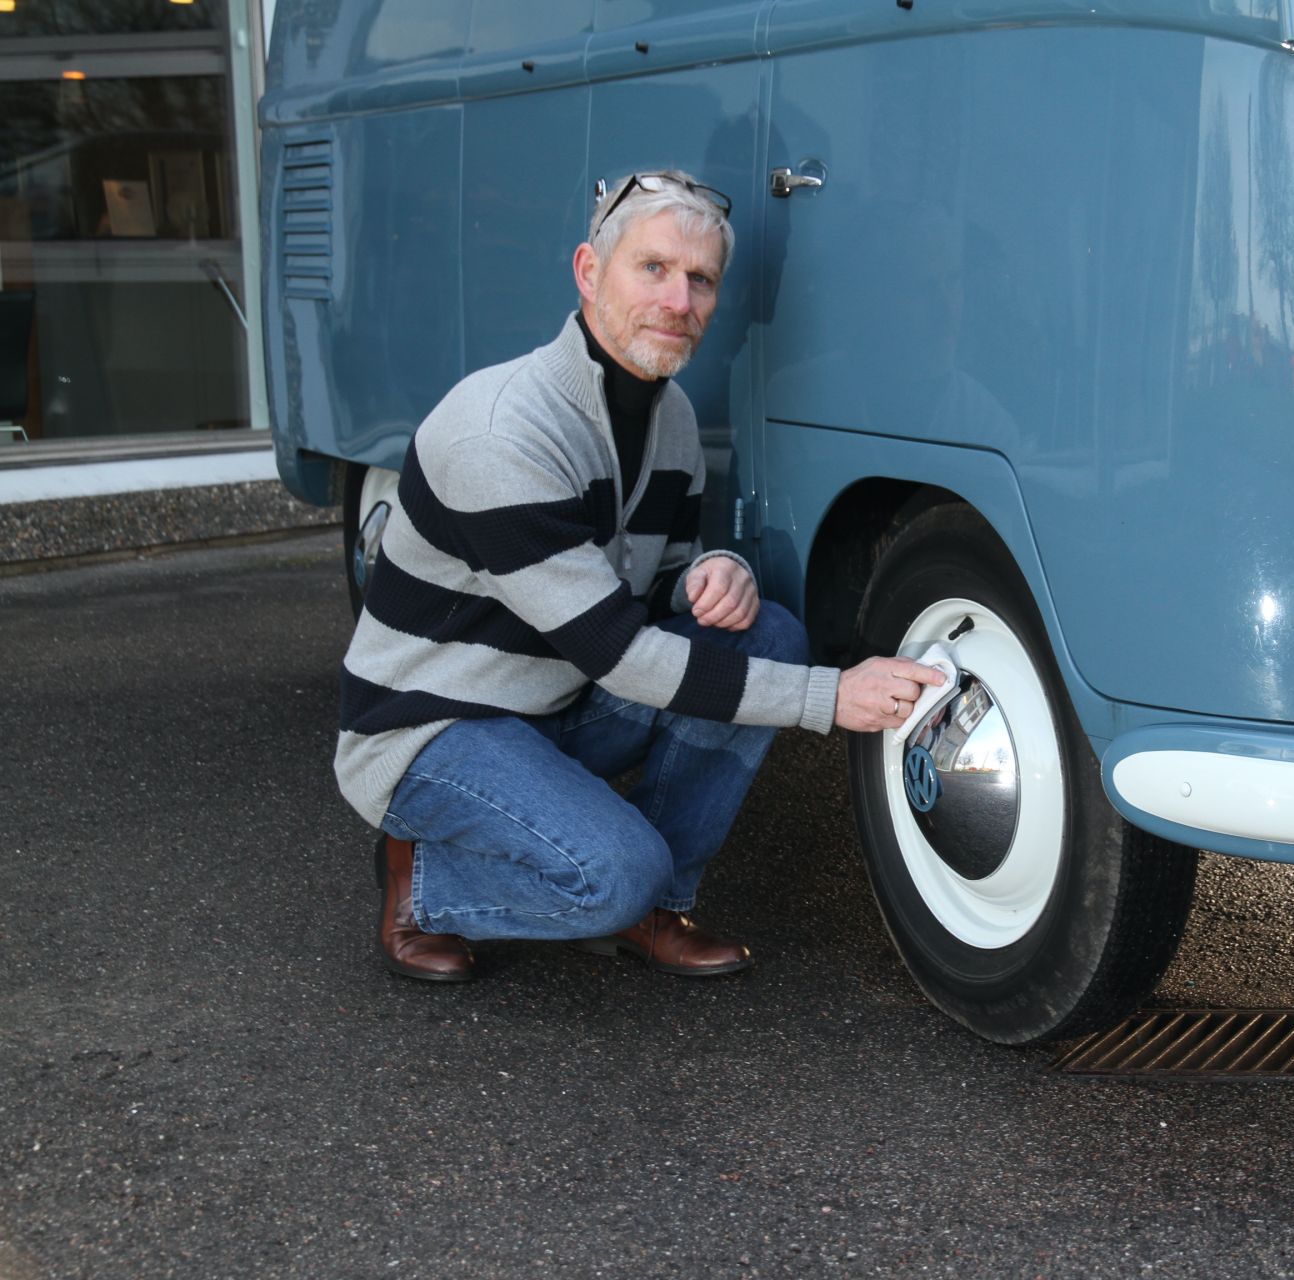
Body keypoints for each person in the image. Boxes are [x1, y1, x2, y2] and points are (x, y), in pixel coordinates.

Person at [334, 169, 944, 984]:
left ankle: (656, 902)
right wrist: (831, 699)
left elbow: (649, 585)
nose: (678, 299)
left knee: (766, 633)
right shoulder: (500, 433)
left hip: (552, 698)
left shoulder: (672, 417)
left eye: (700, 280)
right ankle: (429, 881)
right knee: (610, 875)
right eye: (652, 269)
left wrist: (714, 572)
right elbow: (620, 653)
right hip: (433, 727)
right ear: (589, 272)